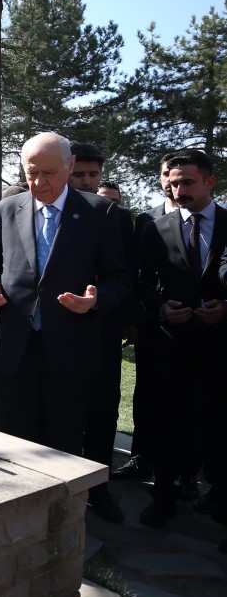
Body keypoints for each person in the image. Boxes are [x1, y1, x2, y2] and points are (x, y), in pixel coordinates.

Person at [0, 132, 128, 523]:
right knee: (14, 438)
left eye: (49, 172)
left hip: (70, 349)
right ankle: (13, 515)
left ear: (69, 166)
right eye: (32, 173)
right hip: (16, 347)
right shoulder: (6, 209)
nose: (39, 182)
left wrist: (96, 299)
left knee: (63, 439)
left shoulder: (101, 213)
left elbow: (120, 279)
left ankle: (59, 521)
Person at [137, 149, 225, 527]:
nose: (178, 190)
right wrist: (161, 308)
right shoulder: (156, 228)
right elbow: (142, 282)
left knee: (217, 420)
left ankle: (218, 495)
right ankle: (164, 494)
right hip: (171, 344)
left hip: (219, 345)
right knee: (167, 419)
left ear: (210, 181)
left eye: (187, 182)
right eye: (173, 183)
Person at [67, 142, 139, 488]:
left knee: (103, 407)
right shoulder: (46, 209)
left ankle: (99, 486)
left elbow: (127, 274)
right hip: (59, 328)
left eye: (93, 174)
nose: (86, 181)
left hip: (102, 328)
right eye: (79, 174)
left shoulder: (117, 216)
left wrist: (118, 313)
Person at [113, 154, 181, 482]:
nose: (170, 181)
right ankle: (140, 458)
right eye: (166, 174)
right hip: (153, 322)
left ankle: (185, 469)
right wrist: (144, 313)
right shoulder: (146, 220)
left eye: (176, 175)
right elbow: (137, 273)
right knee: (147, 394)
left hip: (199, 324)